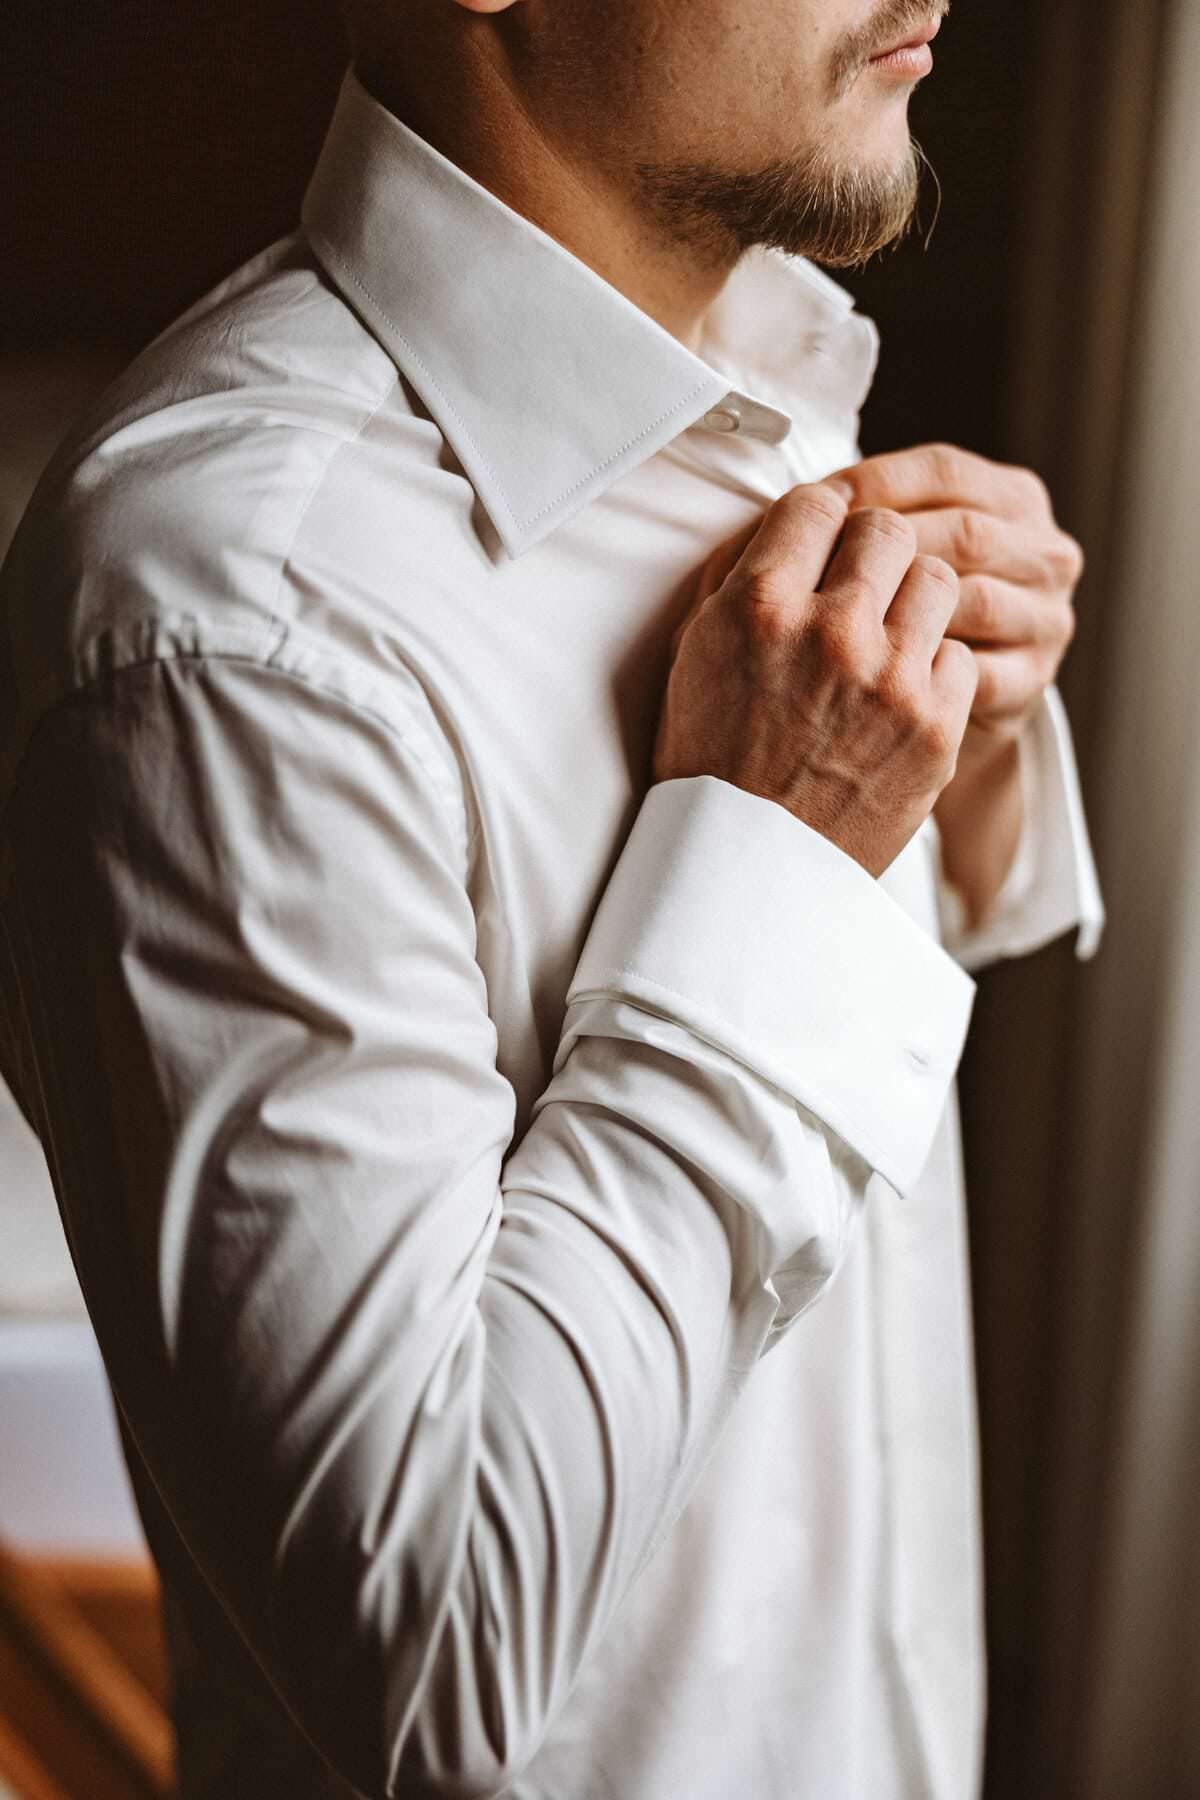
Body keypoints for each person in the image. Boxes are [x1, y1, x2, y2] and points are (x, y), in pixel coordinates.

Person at [0, 0, 1105, 1793]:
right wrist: (775, 859)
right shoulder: (232, 623)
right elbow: (430, 1652)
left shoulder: (764, 384)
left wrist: (938, 761)